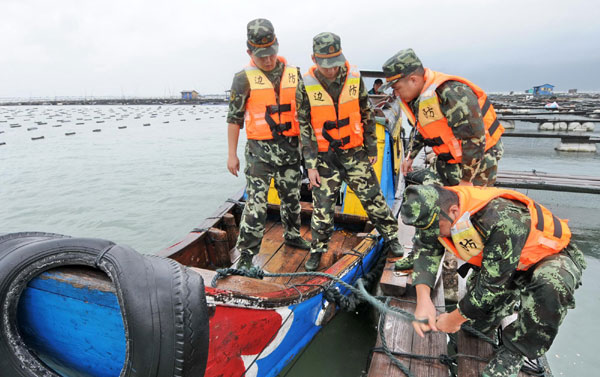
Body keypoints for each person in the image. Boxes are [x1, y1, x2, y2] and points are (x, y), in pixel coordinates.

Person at [399, 184, 585, 377]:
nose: (435, 233)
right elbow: (426, 250)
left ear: (453, 211)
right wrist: (423, 301)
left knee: (552, 284)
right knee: (474, 329)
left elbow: (489, 288)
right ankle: (506, 300)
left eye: (437, 228)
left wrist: (454, 318)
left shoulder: (501, 218)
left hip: (546, 258)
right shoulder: (436, 212)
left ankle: (515, 351)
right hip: (503, 265)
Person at [296, 32, 404, 271]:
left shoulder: (354, 77)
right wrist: (310, 164)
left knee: (373, 198)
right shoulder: (304, 83)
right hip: (324, 158)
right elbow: (303, 125)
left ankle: (392, 238)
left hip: (354, 152)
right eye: (325, 64)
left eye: (335, 63)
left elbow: (366, 112)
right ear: (314, 58)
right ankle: (317, 250)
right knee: (322, 209)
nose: (331, 70)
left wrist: (371, 145)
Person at [226, 18, 310, 270]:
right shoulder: (242, 78)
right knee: (256, 204)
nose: (268, 59)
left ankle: (293, 235)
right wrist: (231, 155)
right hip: (259, 153)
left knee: (292, 198)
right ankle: (247, 256)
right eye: (261, 56)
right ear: (249, 52)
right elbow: (234, 118)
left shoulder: (294, 74)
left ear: (277, 45)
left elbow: (306, 115)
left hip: (290, 151)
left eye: (271, 53)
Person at [382, 49, 504, 188]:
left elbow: (474, 138)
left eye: (397, 88)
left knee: (470, 204)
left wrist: (466, 180)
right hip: (448, 160)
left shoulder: (452, 94)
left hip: (479, 160)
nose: (396, 94)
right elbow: (421, 129)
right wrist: (410, 156)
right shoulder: (417, 98)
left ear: (413, 80)